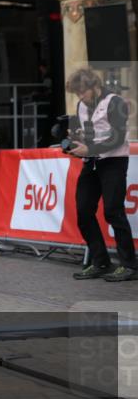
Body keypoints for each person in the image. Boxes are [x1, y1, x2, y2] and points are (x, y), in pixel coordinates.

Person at [65, 69, 136, 281]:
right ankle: (100, 261)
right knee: (83, 210)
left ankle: (130, 265)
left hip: (114, 161)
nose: (80, 97)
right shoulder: (82, 105)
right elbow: (89, 135)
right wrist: (77, 140)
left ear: (94, 86)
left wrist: (91, 149)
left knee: (113, 211)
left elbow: (118, 137)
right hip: (92, 161)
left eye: (82, 92)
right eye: (77, 94)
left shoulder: (115, 102)